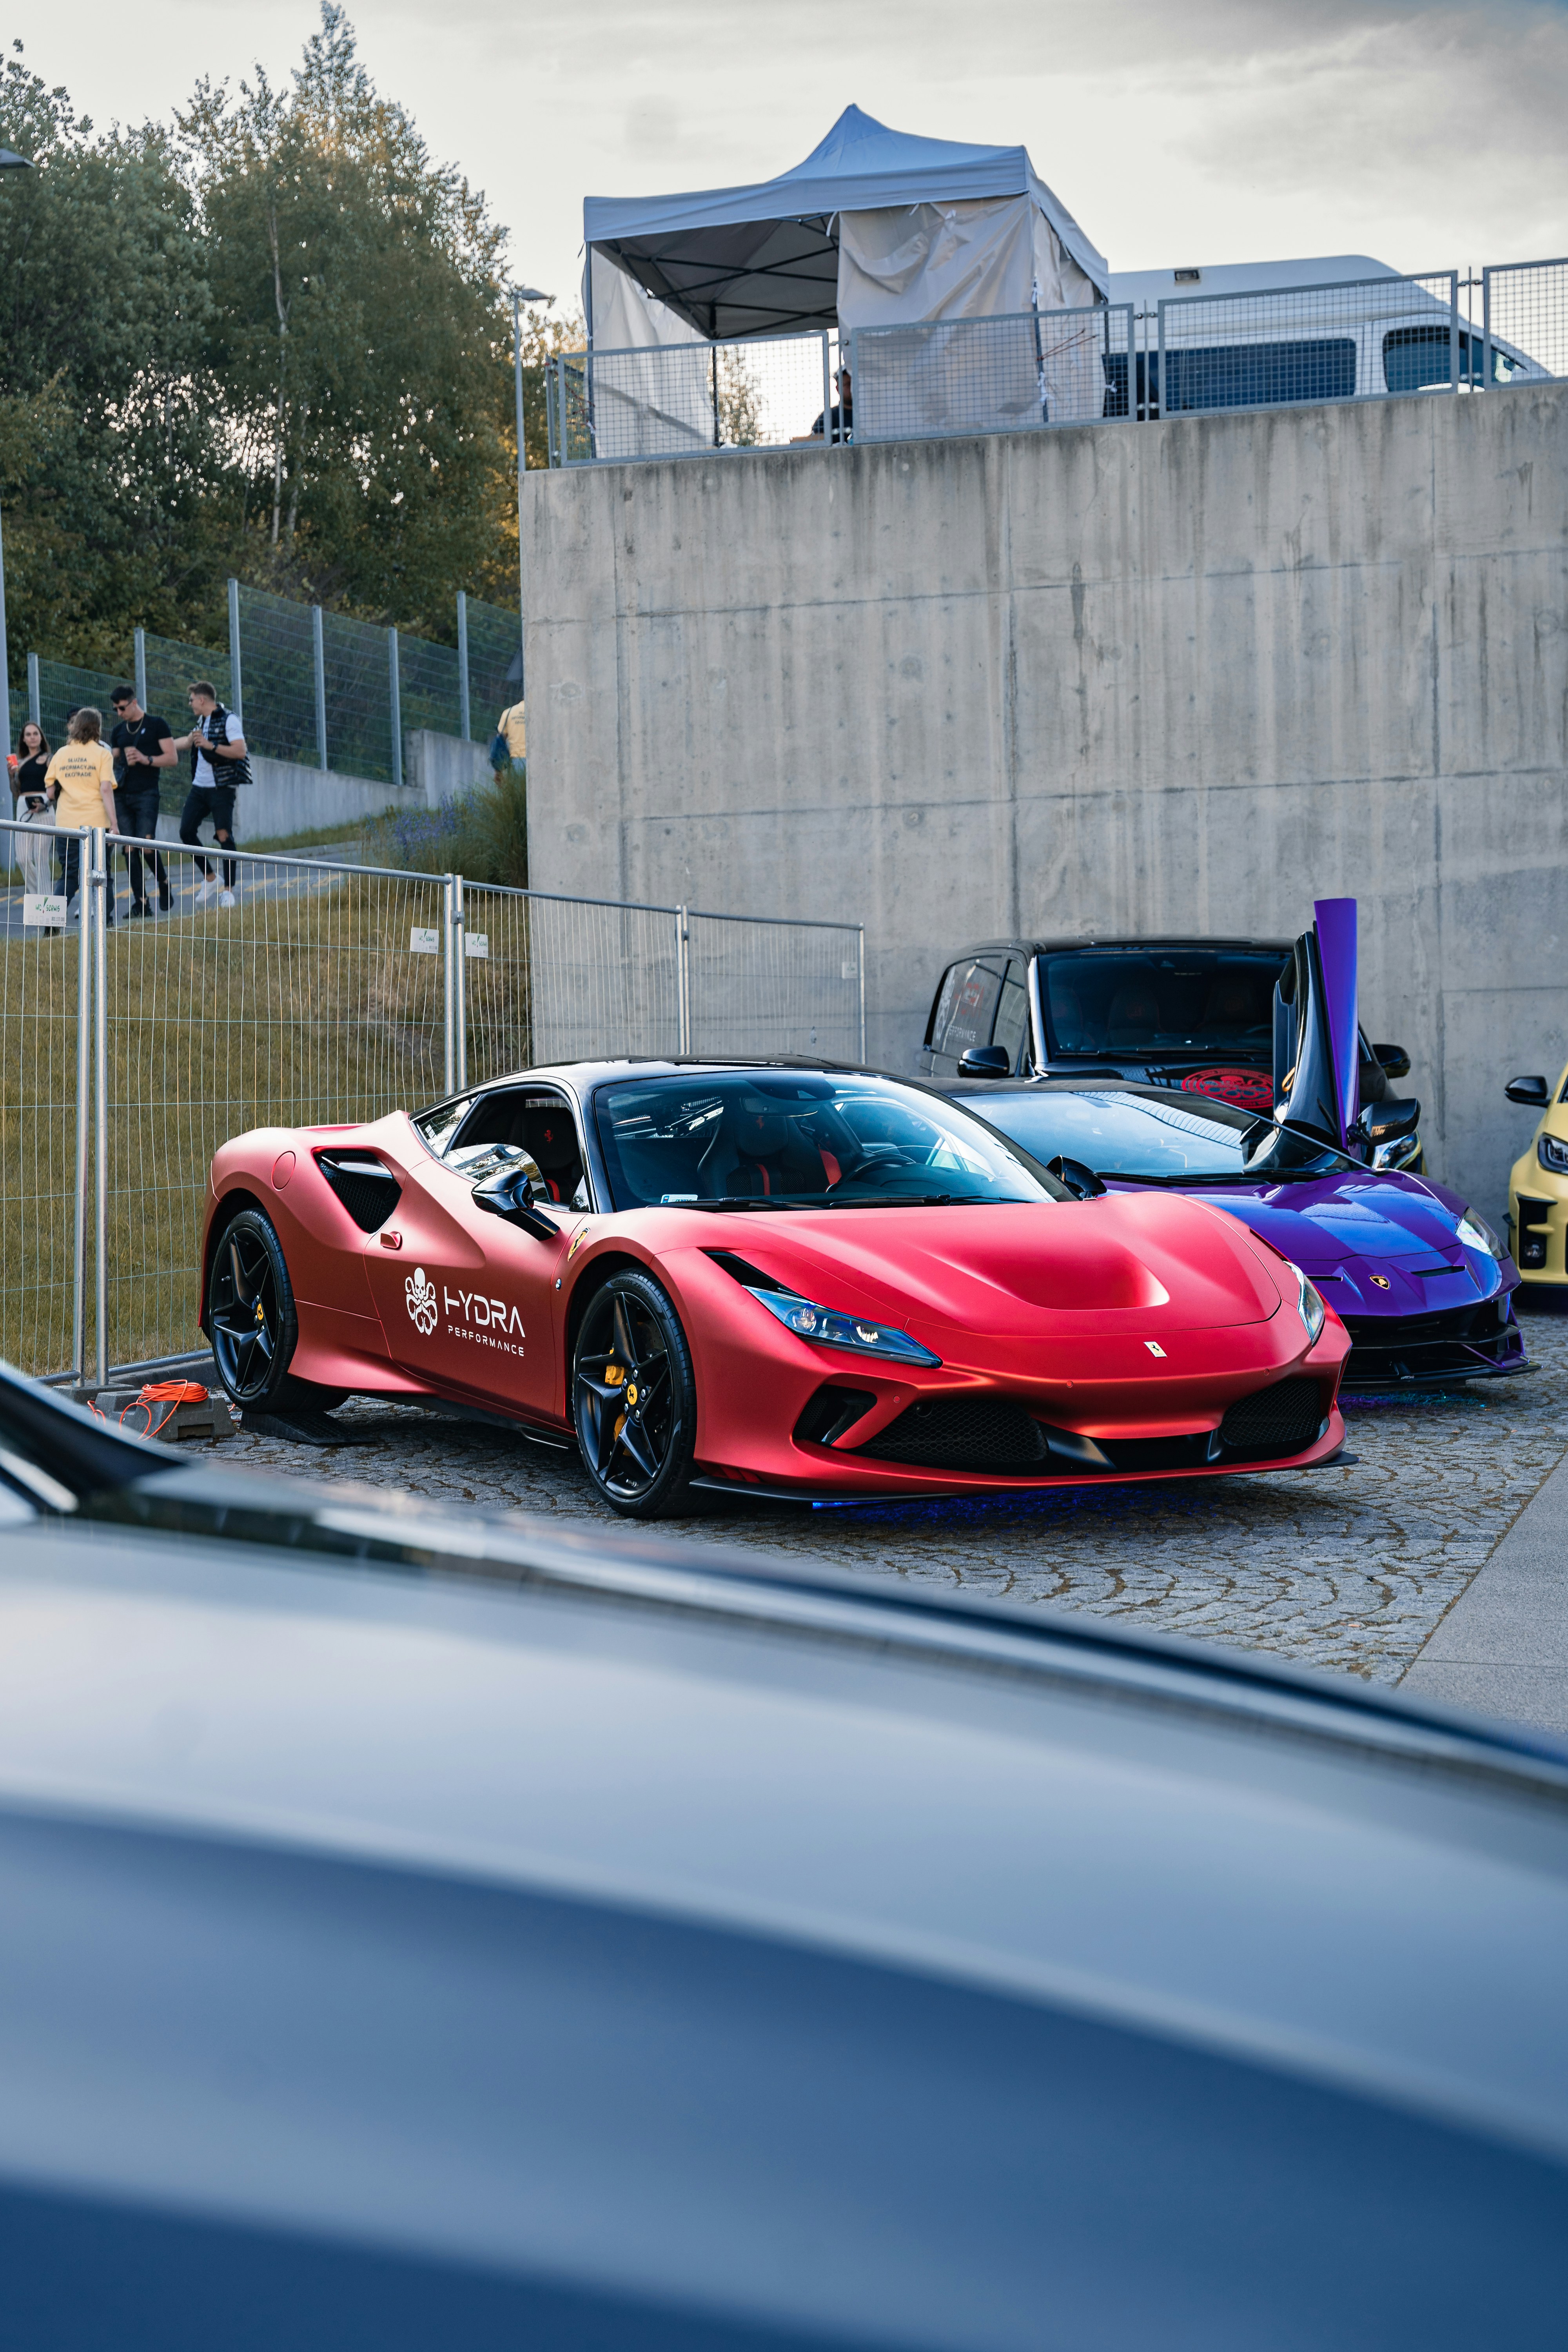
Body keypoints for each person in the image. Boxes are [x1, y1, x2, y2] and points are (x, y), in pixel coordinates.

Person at [171, 682, 249, 908]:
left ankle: (229, 891)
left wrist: (210, 745)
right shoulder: (201, 721)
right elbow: (187, 743)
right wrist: (160, 746)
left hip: (222, 787)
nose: (190, 704)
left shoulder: (229, 719)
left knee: (224, 835)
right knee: (186, 832)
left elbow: (240, 750)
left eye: (192, 700)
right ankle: (212, 879)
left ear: (202, 700)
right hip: (199, 787)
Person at [43, 708, 118, 925]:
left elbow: (50, 793)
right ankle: (106, 920)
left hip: (67, 824)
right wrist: (114, 823)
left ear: (75, 727)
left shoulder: (61, 754)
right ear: (98, 728)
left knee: (68, 874)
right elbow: (106, 789)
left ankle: (51, 922)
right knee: (103, 873)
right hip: (96, 824)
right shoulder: (103, 754)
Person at [108, 685, 174, 918]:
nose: (119, 713)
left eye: (122, 708)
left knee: (147, 844)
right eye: (116, 709)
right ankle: (141, 903)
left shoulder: (157, 724)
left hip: (147, 793)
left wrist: (146, 759)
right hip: (122, 794)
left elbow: (172, 758)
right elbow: (112, 760)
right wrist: (114, 757)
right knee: (129, 848)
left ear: (134, 703)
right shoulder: (118, 730)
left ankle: (164, 883)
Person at [9, 720, 60, 930]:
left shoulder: (48, 759)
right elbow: (16, 792)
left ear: (41, 737)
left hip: (44, 806)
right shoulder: (19, 762)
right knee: (22, 858)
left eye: (35, 734)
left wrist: (47, 804)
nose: (32, 737)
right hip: (23, 804)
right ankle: (42, 902)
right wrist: (11, 774)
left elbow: (57, 786)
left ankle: (49, 921)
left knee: (41, 859)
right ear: (23, 738)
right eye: (28, 734)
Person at [806, 365, 852, 443]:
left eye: (853, 383)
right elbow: (814, 442)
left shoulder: (868, 415)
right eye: (848, 384)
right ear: (838, 389)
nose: (852, 388)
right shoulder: (828, 417)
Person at [494, 694, 526, 771]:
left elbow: (500, 740)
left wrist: (498, 771)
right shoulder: (538, 713)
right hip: (537, 759)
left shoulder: (508, 712)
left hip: (516, 760)